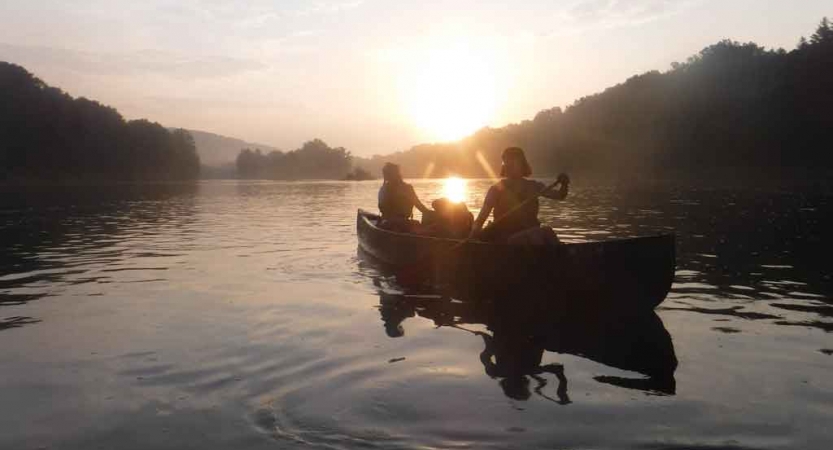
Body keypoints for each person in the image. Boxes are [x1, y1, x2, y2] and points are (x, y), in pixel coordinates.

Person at [469, 147, 570, 243]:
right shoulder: (496, 189)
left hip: (531, 237)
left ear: (522, 164)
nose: (508, 165)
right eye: (506, 162)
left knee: (545, 233)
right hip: (507, 239)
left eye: (512, 162)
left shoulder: (534, 186)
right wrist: (474, 233)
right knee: (543, 233)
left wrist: (564, 184)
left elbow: (560, 196)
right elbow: (481, 218)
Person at [378, 162, 430, 231]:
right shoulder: (408, 188)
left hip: (389, 224)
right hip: (404, 223)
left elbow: (381, 208)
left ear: (386, 175)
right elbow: (421, 208)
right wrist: (433, 214)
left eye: (385, 174)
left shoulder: (383, 189)